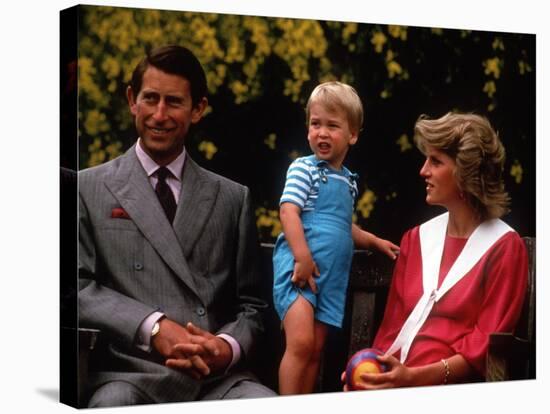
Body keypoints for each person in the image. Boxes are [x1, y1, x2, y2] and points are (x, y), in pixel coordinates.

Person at [78, 45, 276, 407]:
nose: (159, 114)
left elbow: (252, 307)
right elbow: (75, 288)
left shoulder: (233, 198)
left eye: (174, 102)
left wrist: (226, 347)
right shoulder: (88, 187)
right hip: (129, 375)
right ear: (131, 100)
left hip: (217, 381)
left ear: (197, 108)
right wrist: (153, 327)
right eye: (150, 99)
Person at [342, 112, 528, 390]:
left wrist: (412, 378)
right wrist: (370, 376)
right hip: (397, 387)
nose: (423, 170)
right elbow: (390, 333)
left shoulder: (504, 247)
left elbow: (485, 347)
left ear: (466, 174)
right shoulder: (416, 239)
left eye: (436, 161)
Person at [272, 81, 400, 395]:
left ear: (352, 134)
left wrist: (372, 241)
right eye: (316, 124)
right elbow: (288, 212)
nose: (322, 133)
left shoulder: (347, 182)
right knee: (300, 343)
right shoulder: (305, 168)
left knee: (316, 349)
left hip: (332, 277)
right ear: (307, 130)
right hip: (300, 270)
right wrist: (301, 257)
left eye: (333, 125)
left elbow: (344, 226)